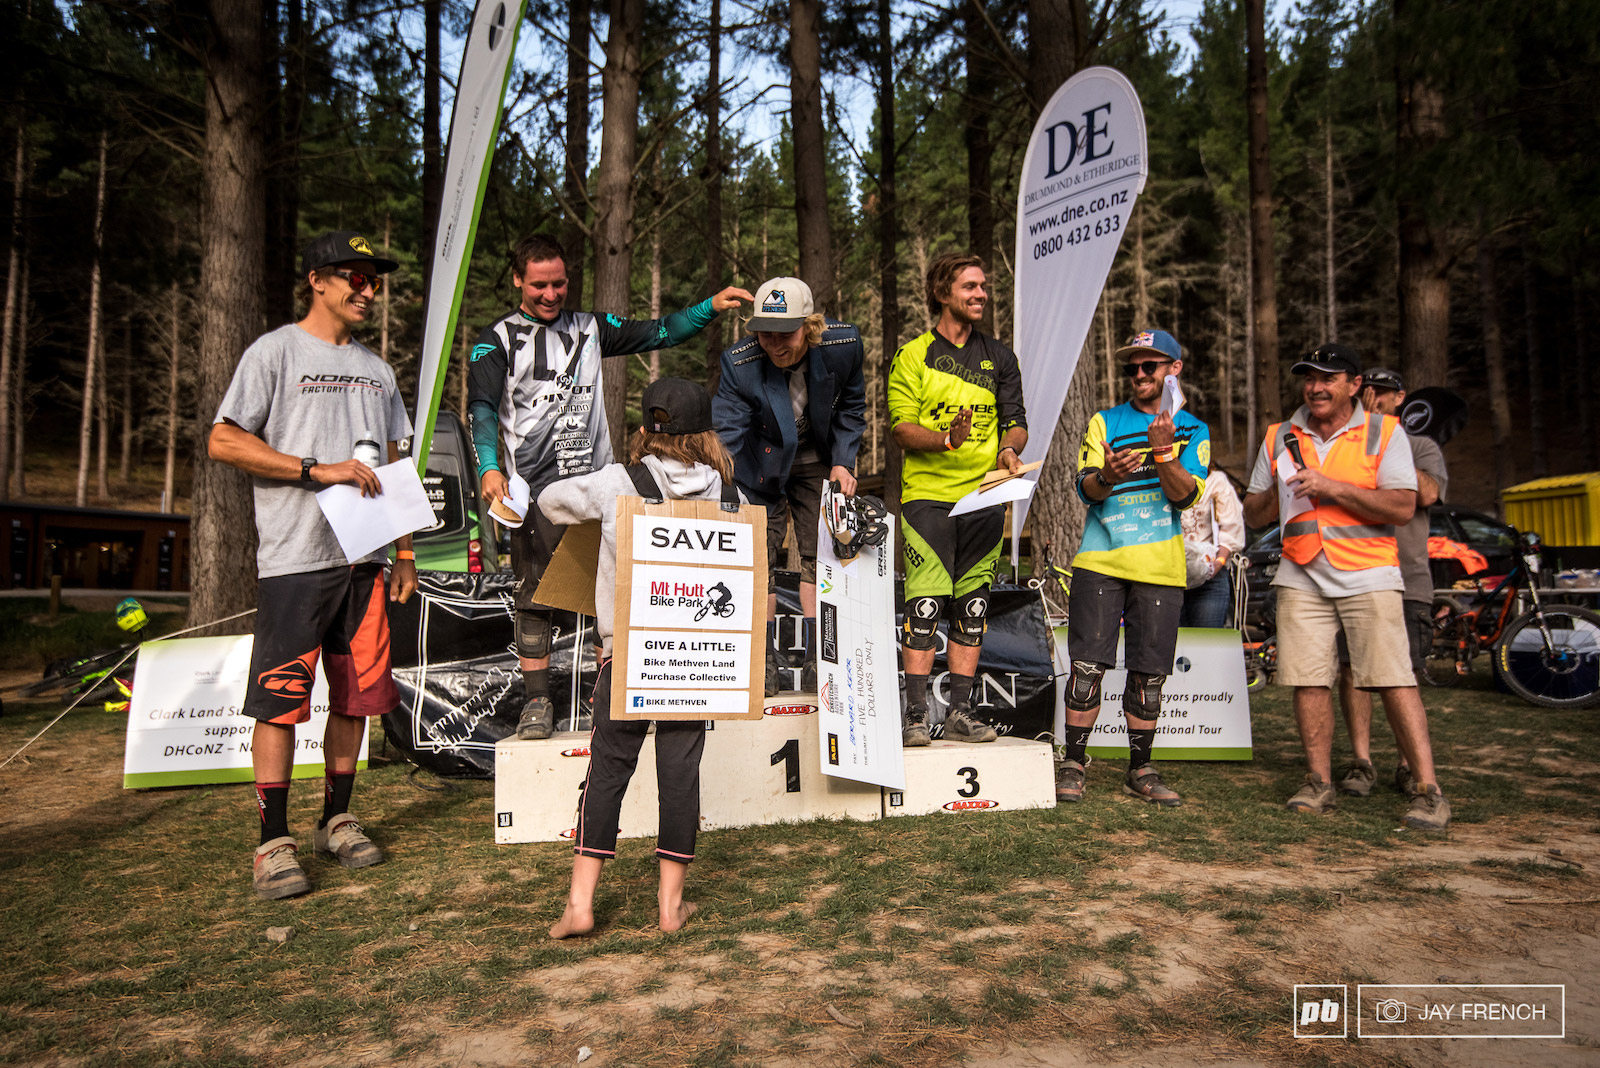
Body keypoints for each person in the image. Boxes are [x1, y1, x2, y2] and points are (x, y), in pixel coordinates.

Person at [467, 234, 753, 740]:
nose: (551, 294)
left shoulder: (591, 328)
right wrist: (489, 467)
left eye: (559, 283)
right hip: (532, 492)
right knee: (534, 597)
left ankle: (619, 696)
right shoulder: (495, 341)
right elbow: (483, 410)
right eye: (539, 285)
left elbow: (661, 331)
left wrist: (711, 305)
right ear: (517, 280)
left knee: (623, 595)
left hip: (599, 486)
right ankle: (537, 704)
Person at [208, 230, 418, 900]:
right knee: (279, 701)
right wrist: (312, 470)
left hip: (364, 562)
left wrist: (405, 548)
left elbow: (393, 462)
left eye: (374, 280)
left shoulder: (379, 369)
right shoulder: (274, 351)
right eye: (354, 277)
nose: (367, 290)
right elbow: (223, 439)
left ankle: (338, 818)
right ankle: (272, 842)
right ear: (316, 280)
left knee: (356, 697)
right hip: (296, 558)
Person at [538, 377, 744, 939]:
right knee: (680, 774)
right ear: (706, 434)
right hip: (701, 662)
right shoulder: (732, 498)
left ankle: (580, 905)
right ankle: (670, 906)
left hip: (627, 654)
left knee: (607, 770)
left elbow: (549, 501)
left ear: (647, 430)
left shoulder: (616, 485)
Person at [1241, 344, 1450, 831]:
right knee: (1309, 680)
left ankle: (1428, 789)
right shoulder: (1279, 435)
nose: (1315, 387)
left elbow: (1402, 506)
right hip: (1300, 572)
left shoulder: (1385, 432)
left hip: (1369, 573)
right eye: (1309, 378)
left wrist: (1331, 486)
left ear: (1354, 385)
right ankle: (1318, 781)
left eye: (1328, 378)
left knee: (1394, 677)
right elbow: (1253, 514)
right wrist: (1279, 485)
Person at [1055, 329, 1209, 807]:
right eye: (1132, 368)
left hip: (1159, 567)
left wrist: (1162, 453)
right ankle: (1074, 764)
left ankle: (1140, 769)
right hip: (1101, 560)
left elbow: (1185, 494)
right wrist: (1108, 477)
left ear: (1173, 370)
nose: (1139, 374)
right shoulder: (1105, 421)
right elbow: (1085, 489)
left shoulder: (1193, 429)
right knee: (1085, 668)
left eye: (1150, 366)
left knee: (1149, 675)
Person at [888, 252, 1027, 746]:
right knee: (925, 605)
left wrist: (1010, 451)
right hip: (927, 498)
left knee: (971, 608)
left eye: (983, 286)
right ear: (943, 292)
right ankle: (914, 716)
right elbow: (902, 429)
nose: (981, 295)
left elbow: (1015, 422)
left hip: (985, 495)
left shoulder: (1001, 357)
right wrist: (946, 439)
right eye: (970, 286)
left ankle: (961, 714)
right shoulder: (913, 356)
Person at [712, 276, 866, 696]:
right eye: (765, 333)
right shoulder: (739, 363)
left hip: (817, 458)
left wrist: (843, 460)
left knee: (819, 554)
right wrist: (722, 485)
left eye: (786, 334)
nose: (775, 344)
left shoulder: (844, 344)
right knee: (757, 557)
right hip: (757, 463)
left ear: (811, 325)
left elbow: (852, 407)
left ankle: (823, 658)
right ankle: (761, 661)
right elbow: (726, 432)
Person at [1334, 367, 1447, 797]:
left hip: (1408, 577)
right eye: (1368, 391)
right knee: (1351, 671)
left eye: (1382, 393)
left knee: (1404, 674)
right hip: (1356, 573)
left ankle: (1408, 766)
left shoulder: (1420, 445)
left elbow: (1430, 494)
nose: (1372, 399)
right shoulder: (1350, 444)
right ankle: (1361, 761)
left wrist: (1392, 444)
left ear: (1400, 398)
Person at [1179, 462, 1246, 628]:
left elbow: (1231, 528)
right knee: (1170, 644)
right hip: (1171, 577)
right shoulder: (1164, 481)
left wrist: (1218, 563)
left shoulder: (1216, 481)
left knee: (1205, 644)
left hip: (1210, 577)